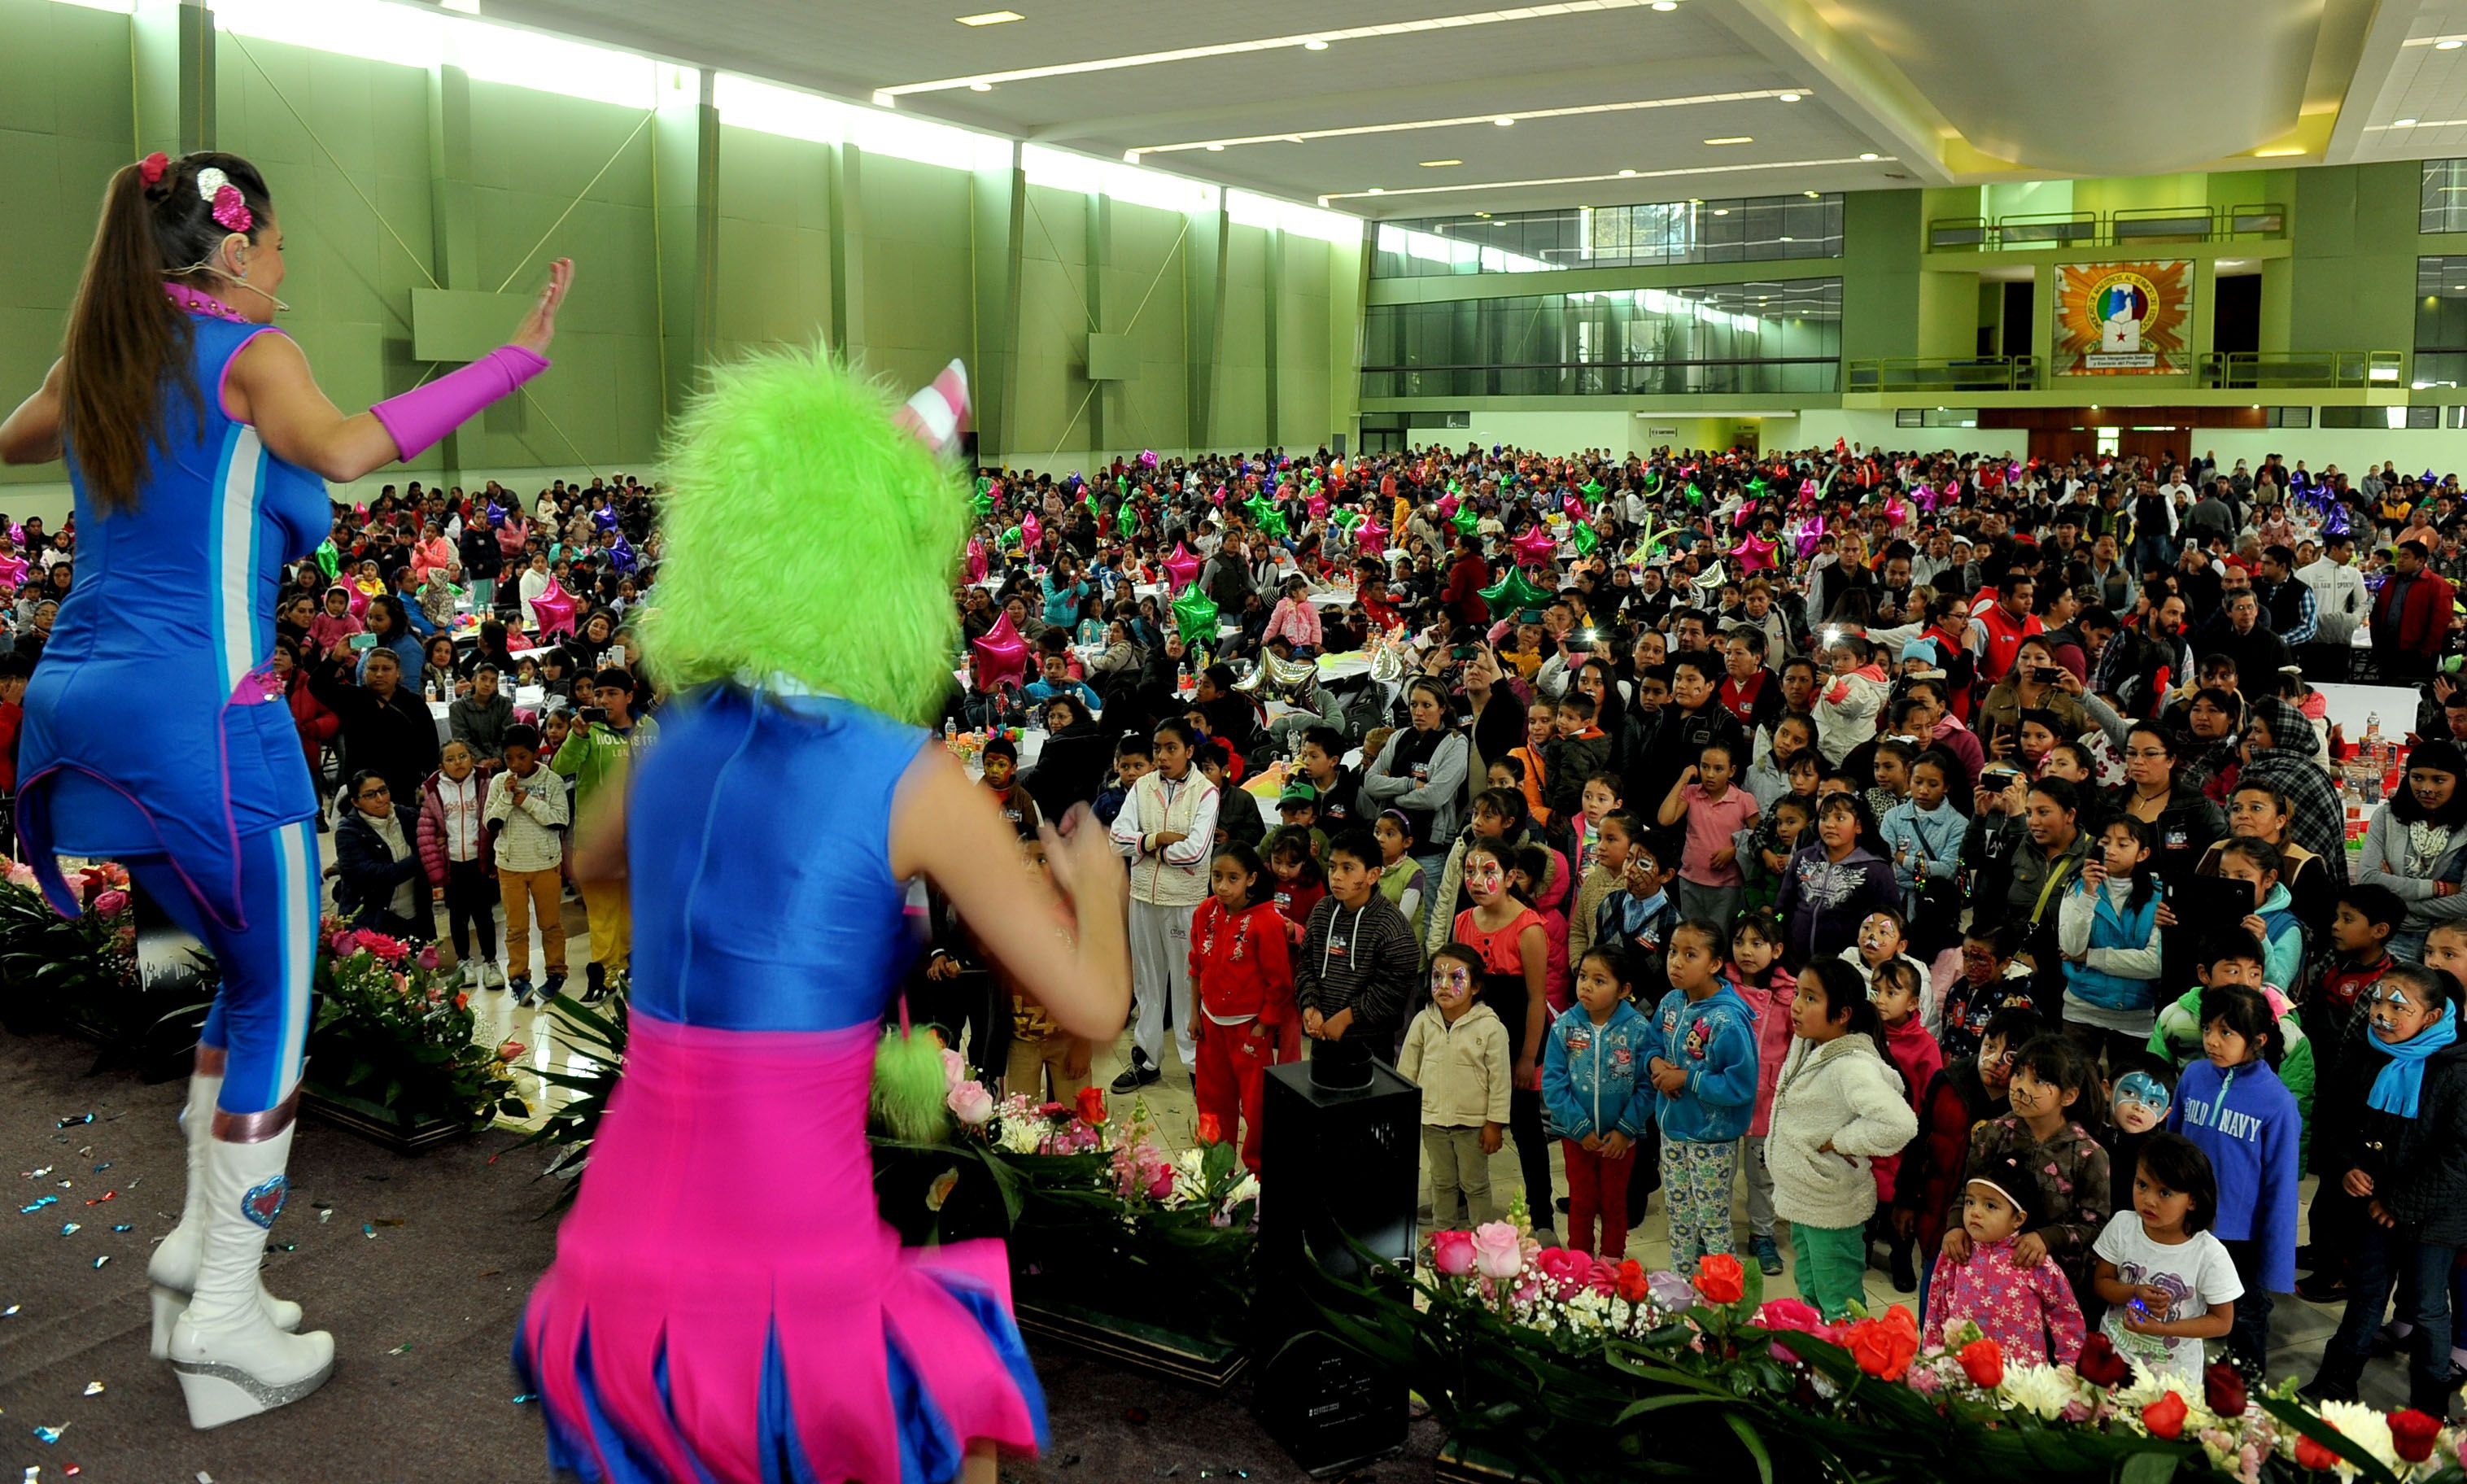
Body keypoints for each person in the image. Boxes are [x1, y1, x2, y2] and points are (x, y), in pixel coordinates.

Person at [0, 147, 565, 1425]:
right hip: (208, 725)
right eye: (279, 243)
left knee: (240, 979)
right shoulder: (252, 356)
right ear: (234, 248)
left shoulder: (97, 355)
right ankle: (224, 1322)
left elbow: (18, 437)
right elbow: (352, 449)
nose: (288, 263)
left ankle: (196, 1256)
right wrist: (514, 358)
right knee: (279, 1004)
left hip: (77, 719)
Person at [517, 352, 1128, 1484]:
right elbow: (1092, 1006)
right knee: (948, 1412)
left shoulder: (674, 742)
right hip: (788, 1245)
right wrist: (1099, 889)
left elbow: (591, 860)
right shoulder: (911, 776)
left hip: (618, 1245)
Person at [2303, 964, 2467, 1411]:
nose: (2382, 1015)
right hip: (2375, 1202)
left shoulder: (2456, 1069)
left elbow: (2458, 1157)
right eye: (2377, 1002)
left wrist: (2399, 1202)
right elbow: (2334, 1117)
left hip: (2434, 1213)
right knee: (2367, 1290)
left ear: (2431, 1018)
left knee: (2428, 1306)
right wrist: (2346, 1166)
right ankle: (2336, 1383)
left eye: (2398, 1008)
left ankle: (2429, 1407)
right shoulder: (2364, 1050)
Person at [1766, 958, 1919, 1320]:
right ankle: (1815, 1350)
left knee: (1841, 1307)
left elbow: (1900, 1124)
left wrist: (1842, 1141)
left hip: (1832, 1206)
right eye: (1798, 994)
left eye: (1811, 998)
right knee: (1810, 1292)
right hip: (1804, 1198)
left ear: (1842, 1014)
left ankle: (1847, 1356)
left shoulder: (1852, 1065)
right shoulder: (1809, 1043)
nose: (1797, 1006)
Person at [2166, 982, 2300, 1379]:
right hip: (2187, 1220)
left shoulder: (2278, 1103)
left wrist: (2276, 1264)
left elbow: (2281, 1189)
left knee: (2244, 1314)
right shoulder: (2193, 1076)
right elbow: (2172, 1148)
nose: (2212, 1041)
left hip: (2239, 1236)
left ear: (2258, 1040)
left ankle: (2246, 1390)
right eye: (2208, 1029)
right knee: (2179, 1298)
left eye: (2226, 1032)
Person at [1944, 1034, 2111, 1311]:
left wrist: (2047, 1238)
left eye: (2038, 1080)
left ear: (2068, 1096)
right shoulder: (1994, 1134)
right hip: (1987, 1278)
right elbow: (1967, 1190)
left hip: (2052, 1289)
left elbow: (2094, 1225)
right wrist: (1955, 1226)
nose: (2020, 1087)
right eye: (2018, 1074)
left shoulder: (2088, 1155)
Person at [1452, 839, 1557, 1242]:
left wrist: (1527, 1057)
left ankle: (1542, 1216)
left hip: (1516, 1038)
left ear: (1511, 877)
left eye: (1488, 872)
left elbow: (1536, 998)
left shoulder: (1529, 928)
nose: (1477, 881)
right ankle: (1460, 1197)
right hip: (1473, 1039)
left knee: (1526, 1129)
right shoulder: (1463, 921)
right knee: (1464, 1122)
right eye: (1470, 871)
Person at [1107, 718, 1219, 1091]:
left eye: (1172, 748)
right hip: (1142, 897)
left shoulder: (1205, 792)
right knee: (1147, 984)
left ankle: (1195, 1064)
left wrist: (1147, 849)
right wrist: (1154, 840)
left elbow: (1196, 851)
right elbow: (1116, 840)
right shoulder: (1143, 786)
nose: (1163, 756)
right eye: (1158, 749)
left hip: (1185, 901)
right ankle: (1147, 1059)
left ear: (1189, 751)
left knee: (1187, 985)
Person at [1648, 920, 1760, 1272]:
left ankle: (1726, 1294)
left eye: (1690, 955)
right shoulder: (1671, 1002)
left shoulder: (1727, 1019)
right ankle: (1679, 1285)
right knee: (1679, 1215)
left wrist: (1688, 1078)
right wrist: (1655, 1065)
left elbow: (1740, 1086)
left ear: (1714, 964)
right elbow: (1652, 1044)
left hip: (1711, 1138)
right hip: (1673, 1129)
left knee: (1712, 1222)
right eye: (1673, 952)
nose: (1676, 962)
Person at [2091, 1132, 2240, 1379]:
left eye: (2165, 1193)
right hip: (2113, 1357)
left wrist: (2162, 1328)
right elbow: (2101, 1282)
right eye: (2142, 1185)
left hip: (2172, 1376)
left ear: (2192, 1200)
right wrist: (2134, 1291)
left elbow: (2222, 1322)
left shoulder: (2209, 1254)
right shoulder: (2122, 1225)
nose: (2149, 1200)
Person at [1541, 945, 1654, 1259]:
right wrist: (1579, 1128)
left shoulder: (1639, 1030)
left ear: (1624, 990)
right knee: (1581, 1200)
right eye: (1583, 977)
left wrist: (1625, 1129)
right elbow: (1553, 1083)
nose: (1586, 986)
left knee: (1615, 1201)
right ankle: (1579, 1260)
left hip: (1621, 1139)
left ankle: (1611, 1261)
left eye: (1599, 980)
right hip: (1577, 1137)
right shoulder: (1564, 1027)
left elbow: (1648, 1087)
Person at [552, 666, 656, 1004]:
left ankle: (629, 970)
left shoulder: (650, 728)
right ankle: (603, 975)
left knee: (632, 908)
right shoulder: (589, 731)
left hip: (641, 837)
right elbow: (561, 767)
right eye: (599, 694)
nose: (603, 700)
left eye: (612, 693)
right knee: (601, 912)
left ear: (630, 696)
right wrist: (577, 736)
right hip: (598, 839)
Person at [1188, 842, 1293, 1174]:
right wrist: (1194, 1014)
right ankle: (1217, 1172)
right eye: (1217, 876)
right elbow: (1196, 966)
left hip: (1249, 1027)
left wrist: (1263, 1026)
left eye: (1233, 878)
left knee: (1256, 1106)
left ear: (1251, 879)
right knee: (1212, 1102)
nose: (1222, 886)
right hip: (1210, 1023)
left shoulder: (1267, 921)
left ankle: (1258, 1175)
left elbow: (1279, 983)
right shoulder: (1205, 912)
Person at [1923, 1155, 2088, 1364]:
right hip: (1962, 1370)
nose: (1975, 1212)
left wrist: (2070, 1364)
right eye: (1970, 1202)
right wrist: (1933, 1359)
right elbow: (1936, 1311)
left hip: (2020, 1375)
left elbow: (2066, 1316)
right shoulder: (1956, 1254)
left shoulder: (2033, 1260)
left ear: (2018, 1219)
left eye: (1990, 1206)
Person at [1296, 827, 1421, 1080]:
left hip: (1371, 1045)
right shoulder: (1322, 912)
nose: (1336, 876)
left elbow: (1394, 989)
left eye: (1348, 868)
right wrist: (1310, 1005)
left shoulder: (1392, 927)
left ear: (1373, 875)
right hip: (1324, 1037)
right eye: (1333, 867)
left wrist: (1347, 1018)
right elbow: (1306, 966)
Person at [1401, 945, 1513, 1229]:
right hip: (1433, 1121)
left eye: (1455, 978)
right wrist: (1407, 1114)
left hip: (1473, 1125)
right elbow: (1406, 1072)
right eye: (1437, 977)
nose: (1444, 985)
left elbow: (1500, 1082)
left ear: (1475, 987)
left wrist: (1495, 1124)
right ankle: (1444, 1238)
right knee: (1441, 1182)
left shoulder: (1491, 1028)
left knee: (1475, 1184)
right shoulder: (1423, 1022)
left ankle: (1483, 1239)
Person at [2056, 815, 2165, 1073]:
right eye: (2105, 842)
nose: (2111, 850)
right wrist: (2089, 895)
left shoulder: (2159, 897)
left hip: (2135, 1015)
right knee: (2072, 1083)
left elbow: (2154, 963)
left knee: (2129, 1088)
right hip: (2081, 1008)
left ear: (2143, 854)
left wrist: (2089, 957)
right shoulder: (2078, 887)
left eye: (2123, 844)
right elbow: (2071, 948)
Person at [2356, 738, 2467, 962]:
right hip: (2394, 931)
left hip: (2453, 937)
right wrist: (2438, 888)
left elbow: (2465, 904)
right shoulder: (2388, 816)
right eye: (2417, 778)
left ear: (2458, 781)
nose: (2427, 788)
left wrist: (2394, 898)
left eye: (2439, 780)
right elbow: (2367, 878)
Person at [1730, 912, 1798, 1277]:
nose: (1746, 951)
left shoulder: (1790, 996)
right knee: (1719, 1174)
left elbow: (1797, 1049)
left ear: (1777, 949)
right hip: (1724, 1102)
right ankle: (1711, 1232)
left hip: (1767, 1105)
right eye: (1739, 942)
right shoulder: (1720, 988)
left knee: (1762, 1176)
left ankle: (1762, 1234)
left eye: (1757, 943)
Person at [1360, 676, 1470, 890]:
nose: (1418, 712)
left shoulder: (1455, 743)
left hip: (1428, 850)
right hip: (1389, 852)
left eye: (1426, 705)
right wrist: (1409, 784)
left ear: (1442, 708)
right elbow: (1370, 783)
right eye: (1413, 705)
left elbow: (1434, 797)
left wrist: (1390, 791)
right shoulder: (1399, 737)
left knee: (1424, 910)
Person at [1776, 793, 1898, 969]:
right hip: (1794, 964)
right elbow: (1782, 908)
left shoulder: (1876, 870)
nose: (1829, 824)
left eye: (1839, 818)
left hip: (1847, 969)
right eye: (1824, 818)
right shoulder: (1803, 858)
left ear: (1858, 826)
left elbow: (1890, 921)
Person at [417, 739, 497, 989]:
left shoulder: (485, 783)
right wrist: (436, 872)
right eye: (450, 759)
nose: (458, 763)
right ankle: (463, 962)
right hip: (453, 865)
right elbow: (426, 833)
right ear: (442, 766)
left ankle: (491, 962)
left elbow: (496, 819)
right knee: (458, 917)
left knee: (484, 915)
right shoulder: (434, 790)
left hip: (479, 861)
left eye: (463, 756)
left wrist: (495, 859)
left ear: (471, 758)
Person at [1657, 742, 1760, 925]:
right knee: (1692, 933)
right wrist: (1683, 780)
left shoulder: (1744, 800)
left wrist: (1734, 851)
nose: (1710, 774)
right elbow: (1665, 819)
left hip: (1727, 884)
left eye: (1718, 769)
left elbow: (1759, 836)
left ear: (1732, 771)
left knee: (1720, 935)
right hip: (1690, 880)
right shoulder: (1691, 793)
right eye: (1705, 767)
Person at [333, 768, 432, 941]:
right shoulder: (348, 832)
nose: (380, 799)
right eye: (370, 795)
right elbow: (378, 875)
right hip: (374, 921)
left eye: (383, 791)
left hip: (416, 915)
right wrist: (425, 855)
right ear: (356, 802)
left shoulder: (407, 816)